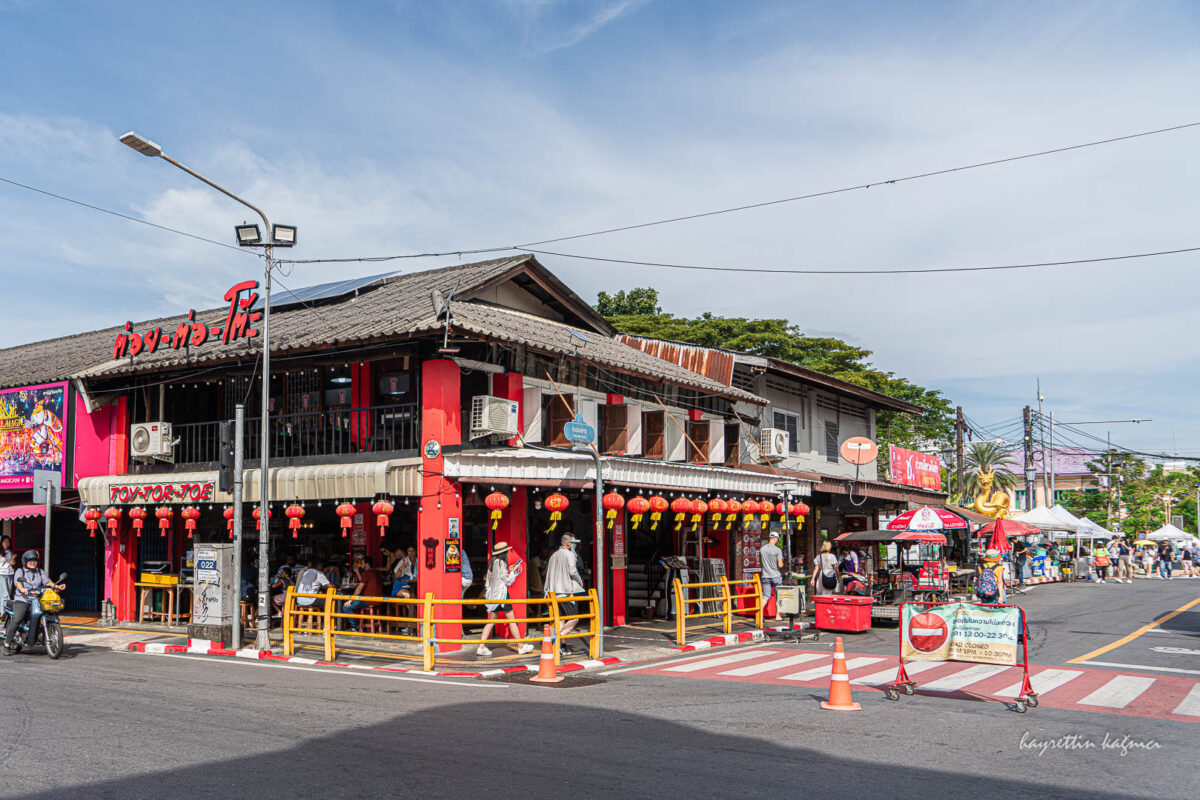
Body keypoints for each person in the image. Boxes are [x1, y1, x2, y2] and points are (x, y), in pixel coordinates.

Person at [477, 542, 534, 657]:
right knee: (512, 621)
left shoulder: (493, 562)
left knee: (491, 622)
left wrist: (508, 570)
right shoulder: (501, 562)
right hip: (502, 595)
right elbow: (507, 581)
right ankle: (521, 647)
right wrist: (513, 572)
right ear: (504, 553)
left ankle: (481, 647)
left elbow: (494, 579)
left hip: (493, 596)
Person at [3, 551, 63, 653]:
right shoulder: (20, 571)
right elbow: (18, 583)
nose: (33, 563)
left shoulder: (40, 572)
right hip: (22, 599)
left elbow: (47, 581)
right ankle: (7, 644)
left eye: (35, 561)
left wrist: (56, 586)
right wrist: (22, 589)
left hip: (36, 600)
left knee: (47, 611)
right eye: (30, 561)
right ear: (25, 561)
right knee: (18, 618)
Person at [544, 534, 585, 655]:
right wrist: (580, 581)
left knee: (560, 620)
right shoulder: (569, 554)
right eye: (574, 543)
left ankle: (561, 646)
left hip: (553, 592)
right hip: (566, 592)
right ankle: (559, 636)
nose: (575, 546)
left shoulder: (553, 556)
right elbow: (573, 571)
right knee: (574, 618)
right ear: (568, 543)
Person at [344, 556, 382, 632]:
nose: (361, 565)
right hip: (378, 599)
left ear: (367, 564)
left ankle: (355, 627)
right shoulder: (375, 572)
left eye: (362, 563)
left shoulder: (367, 572)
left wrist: (351, 599)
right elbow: (363, 580)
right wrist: (357, 572)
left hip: (369, 600)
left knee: (346, 607)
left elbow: (359, 588)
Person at [758, 532, 784, 621]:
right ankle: (778, 616)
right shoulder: (778, 550)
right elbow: (780, 565)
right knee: (778, 596)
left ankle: (760, 614)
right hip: (776, 575)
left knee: (765, 596)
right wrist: (782, 562)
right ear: (776, 539)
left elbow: (761, 563)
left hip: (765, 576)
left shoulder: (762, 549)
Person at [0, 535, 15, 610]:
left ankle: (6, 611)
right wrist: (9, 563)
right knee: (4, 594)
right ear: (1, 542)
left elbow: (13, 563)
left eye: (8, 542)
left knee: (8, 592)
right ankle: (3, 612)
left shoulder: (10, 552)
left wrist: (13, 561)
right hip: (1, 574)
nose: (6, 543)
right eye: (5, 542)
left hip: (10, 573)